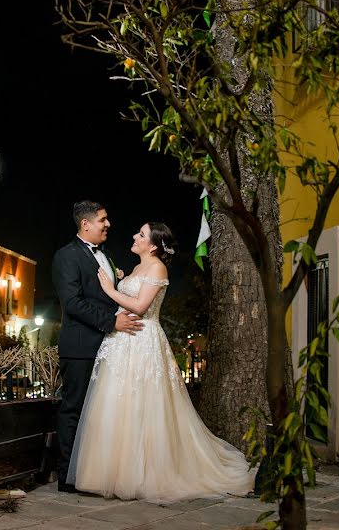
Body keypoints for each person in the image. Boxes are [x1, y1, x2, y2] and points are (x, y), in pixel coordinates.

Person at [67, 221, 256, 503]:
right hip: (122, 342)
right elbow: (129, 296)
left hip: (143, 340)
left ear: (153, 245)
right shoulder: (137, 268)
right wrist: (119, 279)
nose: (134, 236)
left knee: (145, 405)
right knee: (118, 405)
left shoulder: (157, 267)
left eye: (141, 234)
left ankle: (144, 474)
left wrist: (110, 288)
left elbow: (141, 307)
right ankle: (111, 472)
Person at [51, 200, 144, 493]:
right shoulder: (66, 256)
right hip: (80, 346)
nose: (108, 224)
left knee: (98, 412)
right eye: (103, 220)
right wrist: (112, 322)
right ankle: (67, 478)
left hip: (106, 346)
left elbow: (104, 296)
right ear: (85, 224)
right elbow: (73, 304)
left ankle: (89, 473)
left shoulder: (105, 255)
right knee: (74, 410)